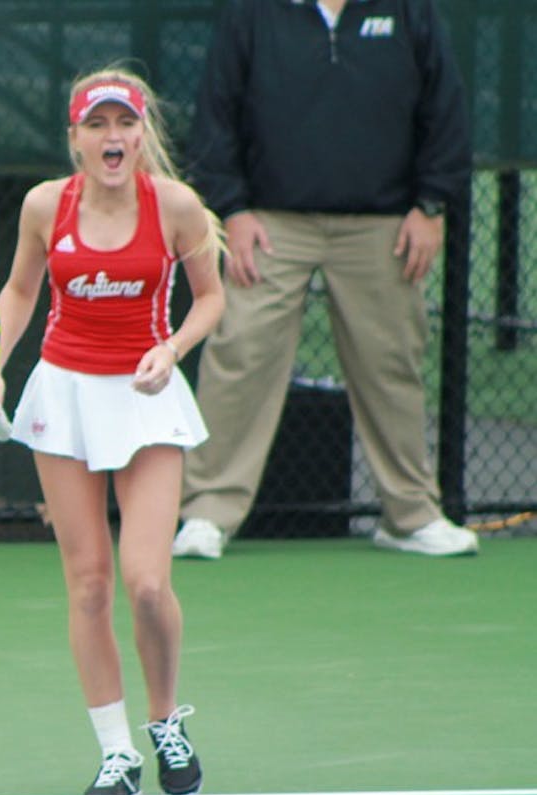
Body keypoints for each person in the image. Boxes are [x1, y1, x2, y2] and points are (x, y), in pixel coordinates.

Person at [0, 67, 226, 795]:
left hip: (148, 399)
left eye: (124, 124)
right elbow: (23, 290)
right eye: (97, 125)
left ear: (141, 132)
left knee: (147, 583)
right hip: (63, 397)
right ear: (76, 139)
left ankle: (165, 723)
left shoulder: (178, 207)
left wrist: (173, 348)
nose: (112, 137)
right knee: (89, 582)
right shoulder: (44, 206)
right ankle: (116, 751)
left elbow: (212, 297)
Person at [175, 0, 478, 559]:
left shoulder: (408, 11)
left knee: (392, 361)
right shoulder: (251, 14)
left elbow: (445, 107)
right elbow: (215, 113)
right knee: (239, 355)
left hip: (384, 226)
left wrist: (431, 205)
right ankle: (207, 514)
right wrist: (233, 210)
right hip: (267, 223)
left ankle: (409, 516)